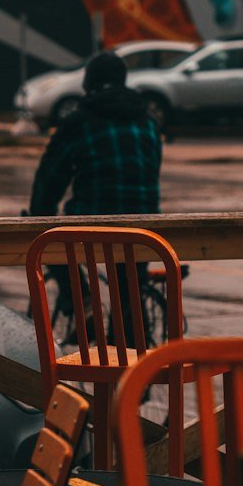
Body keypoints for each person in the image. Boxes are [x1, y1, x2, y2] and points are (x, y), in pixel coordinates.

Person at [29, 50, 162, 346]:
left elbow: (50, 178)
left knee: (48, 241)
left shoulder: (79, 121)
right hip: (144, 229)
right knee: (129, 290)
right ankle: (131, 366)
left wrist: (38, 213)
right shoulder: (148, 121)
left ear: (89, 83)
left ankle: (82, 303)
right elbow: (150, 172)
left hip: (92, 225)